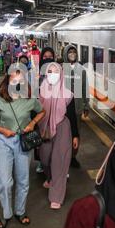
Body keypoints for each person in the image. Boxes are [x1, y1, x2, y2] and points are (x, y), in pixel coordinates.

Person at [0, 68, 45, 228]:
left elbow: (42, 111)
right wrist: (2, 131)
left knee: (23, 179)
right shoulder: (0, 101)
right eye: (14, 81)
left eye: (21, 81)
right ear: (7, 83)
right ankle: (6, 213)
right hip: (4, 141)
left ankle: (20, 211)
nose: (17, 84)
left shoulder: (30, 100)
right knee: (4, 181)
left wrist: (32, 124)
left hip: (23, 142)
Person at [39, 62, 79, 209]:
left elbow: (72, 116)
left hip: (63, 126)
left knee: (59, 160)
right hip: (45, 127)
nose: (53, 74)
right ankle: (50, 178)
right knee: (44, 157)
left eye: (56, 72)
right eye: (50, 71)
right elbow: (35, 111)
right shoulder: (41, 90)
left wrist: (75, 135)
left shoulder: (67, 93)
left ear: (61, 74)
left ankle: (56, 196)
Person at [63, 44, 90, 169]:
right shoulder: (62, 68)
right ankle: (63, 155)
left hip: (77, 107)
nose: (72, 54)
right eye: (70, 52)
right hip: (64, 108)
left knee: (76, 134)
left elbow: (85, 88)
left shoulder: (81, 69)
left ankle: (73, 157)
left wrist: (86, 105)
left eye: (74, 51)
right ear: (66, 54)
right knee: (63, 134)